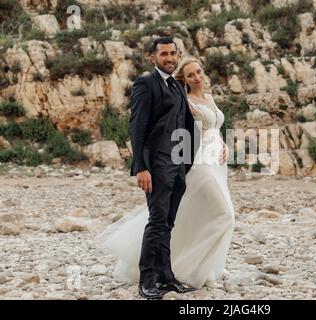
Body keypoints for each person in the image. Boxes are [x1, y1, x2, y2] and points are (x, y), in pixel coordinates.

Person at [95, 52, 235, 297]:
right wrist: (142, 165)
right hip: (196, 161)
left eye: (199, 71)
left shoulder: (207, 98)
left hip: (214, 162)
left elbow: (213, 127)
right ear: (183, 78)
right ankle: (171, 272)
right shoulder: (178, 96)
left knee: (181, 218)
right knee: (223, 215)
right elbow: (146, 127)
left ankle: (177, 272)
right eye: (190, 74)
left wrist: (223, 144)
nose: (196, 77)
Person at [113, 36, 197, 300]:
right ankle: (147, 280)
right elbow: (137, 127)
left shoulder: (178, 86)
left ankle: (167, 278)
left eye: (173, 53)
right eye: (164, 54)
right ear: (153, 58)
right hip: (156, 165)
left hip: (178, 165)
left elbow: (185, 125)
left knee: (168, 224)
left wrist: (186, 163)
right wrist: (141, 167)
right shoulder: (145, 84)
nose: (170, 58)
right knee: (157, 221)